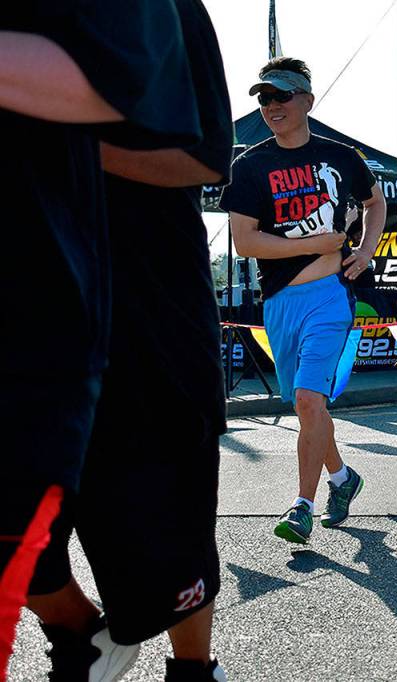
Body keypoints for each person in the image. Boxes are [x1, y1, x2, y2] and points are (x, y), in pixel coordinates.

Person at [0, 3, 207, 679]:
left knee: (164, 529)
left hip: (144, 298)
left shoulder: (168, 12)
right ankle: (80, 633)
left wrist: (52, 130)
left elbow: (200, 158)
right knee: (23, 539)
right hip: (30, 292)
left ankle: (194, 671)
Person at [220, 56, 387, 544]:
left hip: (330, 298)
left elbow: (375, 203)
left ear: (307, 100)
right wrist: (312, 245)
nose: (272, 106)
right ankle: (342, 478)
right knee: (306, 406)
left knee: (309, 399)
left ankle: (302, 506)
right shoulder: (250, 165)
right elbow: (246, 243)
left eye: (281, 96)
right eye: (264, 99)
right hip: (278, 303)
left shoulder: (341, 156)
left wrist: (363, 250)